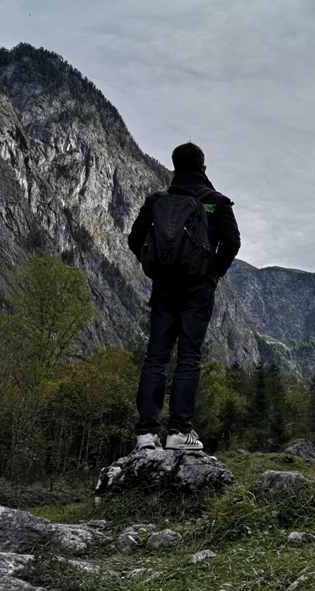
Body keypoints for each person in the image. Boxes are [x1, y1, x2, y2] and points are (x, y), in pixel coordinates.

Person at [127, 142, 240, 451]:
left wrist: (155, 266)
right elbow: (232, 243)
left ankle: (146, 434)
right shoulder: (216, 203)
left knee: (156, 358)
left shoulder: (158, 201)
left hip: (164, 288)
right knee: (189, 357)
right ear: (203, 169)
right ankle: (179, 432)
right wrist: (212, 273)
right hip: (198, 290)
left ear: (174, 168)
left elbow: (135, 239)